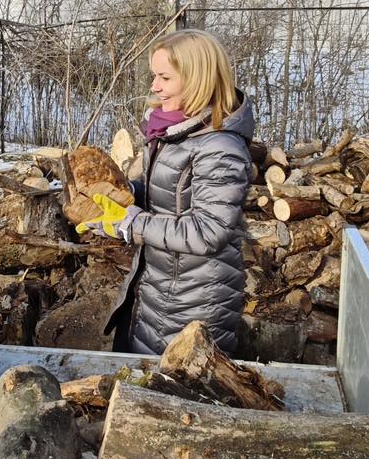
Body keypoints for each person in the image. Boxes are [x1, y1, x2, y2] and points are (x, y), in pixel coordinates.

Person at [83, 30, 254, 355]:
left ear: (197, 80)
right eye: (154, 76)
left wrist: (133, 224)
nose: (154, 86)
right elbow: (166, 195)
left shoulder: (220, 147)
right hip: (160, 285)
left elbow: (209, 231)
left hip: (194, 300)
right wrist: (123, 195)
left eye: (165, 77)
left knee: (170, 383)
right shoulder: (173, 130)